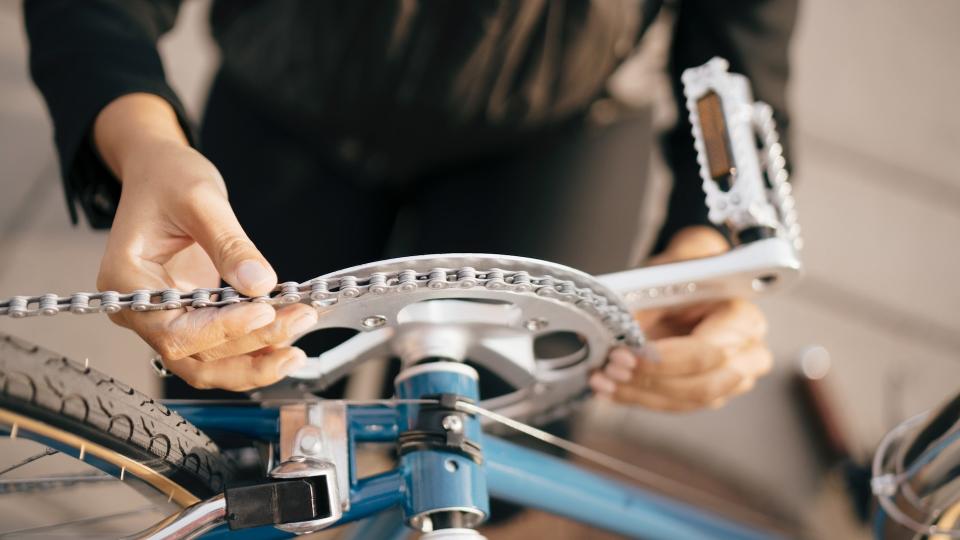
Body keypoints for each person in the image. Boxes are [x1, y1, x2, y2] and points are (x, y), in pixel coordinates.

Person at [23, 0, 796, 412]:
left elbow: (738, 49)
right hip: (290, 89)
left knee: (507, 451)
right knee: (239, 423)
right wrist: (142, 142)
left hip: (552, 123)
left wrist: (710, 244)